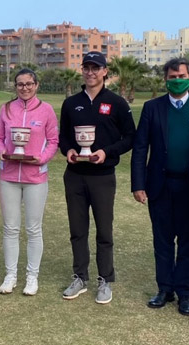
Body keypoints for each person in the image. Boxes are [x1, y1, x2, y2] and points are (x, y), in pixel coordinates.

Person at [131, 58, 189, 313]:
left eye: (180, 75)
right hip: (160, 185)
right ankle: (164, 289)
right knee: (163, 241)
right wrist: (138, 184)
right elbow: (140, 149)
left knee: (188, 243)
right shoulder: (152, 108)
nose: (176, 80)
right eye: (171, 77)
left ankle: (185, 293)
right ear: (165, 80)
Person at [59, 51, 136, 304]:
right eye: (86, 67)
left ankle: (105, 279)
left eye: (96, 68)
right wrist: (69, 150)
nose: (90, 72)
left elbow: (130, 138)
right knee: (77, 230)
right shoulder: (71, 103)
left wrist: (106, 152)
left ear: (105, 72)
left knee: (104, 230)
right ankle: (80, 276)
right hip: (75, 176)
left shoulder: (117, 102)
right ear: (82, 70)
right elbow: (64, 137)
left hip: (103, 176)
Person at [0, 69, 59, 296]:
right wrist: (2, 152)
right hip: (9, 176)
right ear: (15, 86)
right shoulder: (6, 109)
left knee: (33, 229)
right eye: (20, 84)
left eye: (29, 83)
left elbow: (53, 140)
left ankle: (32, 277)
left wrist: (41, 159)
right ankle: (10, 275)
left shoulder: (47, 110)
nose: (25, 88)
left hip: (35, 177)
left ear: (36, 85)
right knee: (10, 228)